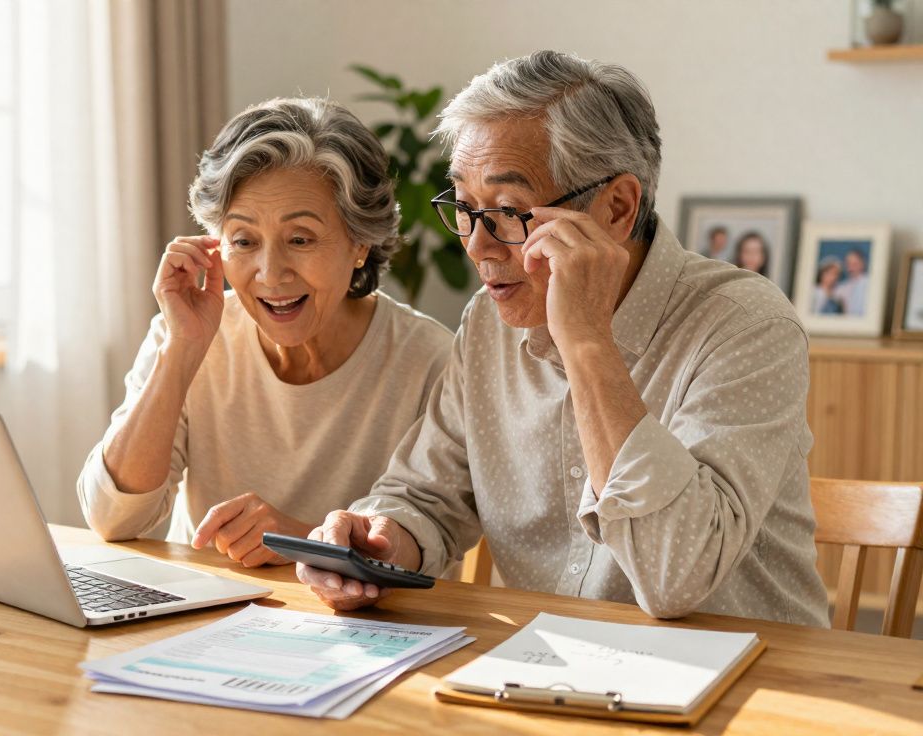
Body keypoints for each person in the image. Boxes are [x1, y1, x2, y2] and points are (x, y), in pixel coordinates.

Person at [298, 50, 829, 627]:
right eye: (465, 208)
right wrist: (375, 540)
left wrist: (587, 343)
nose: (477, 247)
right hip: (552, 668)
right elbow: (427, 495)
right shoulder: (487, 325)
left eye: (507, 210)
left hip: (757, 684)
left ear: (617, 208)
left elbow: (676, 576)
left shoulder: (746, 326)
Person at [77, 98, 453, 568]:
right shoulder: (187, 335)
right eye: (244, 241)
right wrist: (182, 350)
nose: (271, 274)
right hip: (204, 620)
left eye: (300, 239)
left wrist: (301, 541)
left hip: (357, 629)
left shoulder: (430, 361)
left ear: (360, 243)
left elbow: (429, 545)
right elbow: (113, 519)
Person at [835, 247, 868, 316]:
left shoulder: (869, 283)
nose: (851, 268)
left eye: (855, 264)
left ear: (862, 264)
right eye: (848, 264)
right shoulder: (841, 287)